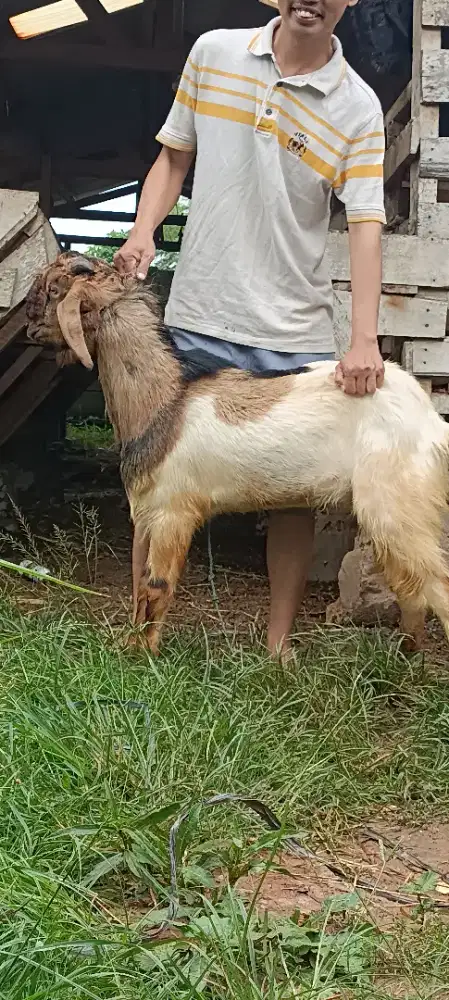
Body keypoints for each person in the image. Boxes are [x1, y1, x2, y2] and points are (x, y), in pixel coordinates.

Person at [115, 0, 386, 658]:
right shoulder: (213, 53)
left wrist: (363, 337)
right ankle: (142, 630)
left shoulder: (357, 105)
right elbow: (172, 158)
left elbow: (364, 223)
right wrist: (141, 229)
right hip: (199, 310)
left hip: (288, 327)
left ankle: (277, 643)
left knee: (291, 493)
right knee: (155, 479)